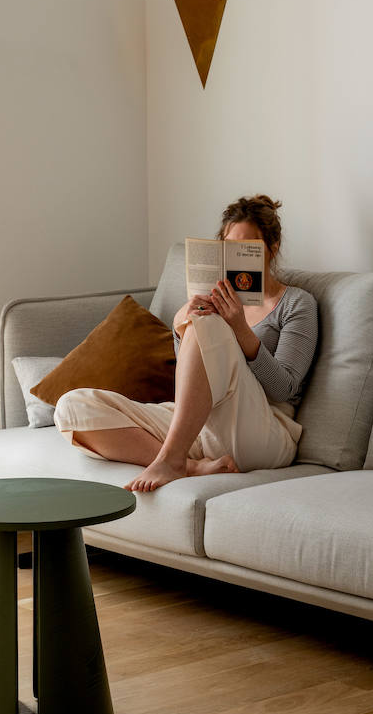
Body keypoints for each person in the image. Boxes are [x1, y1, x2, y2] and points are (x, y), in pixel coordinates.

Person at [53, 195, 318, 493]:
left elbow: (285, 388)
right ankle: (188, 466)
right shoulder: (216, 301)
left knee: (209, 324)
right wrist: (183, 322)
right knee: (72, 408)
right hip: (202, 427)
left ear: (272, 248)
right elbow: (193, 377)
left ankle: (171, 457)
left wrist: (239, 328)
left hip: (265, 432)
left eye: (248, 249)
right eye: (229, 247)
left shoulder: (297, 303)